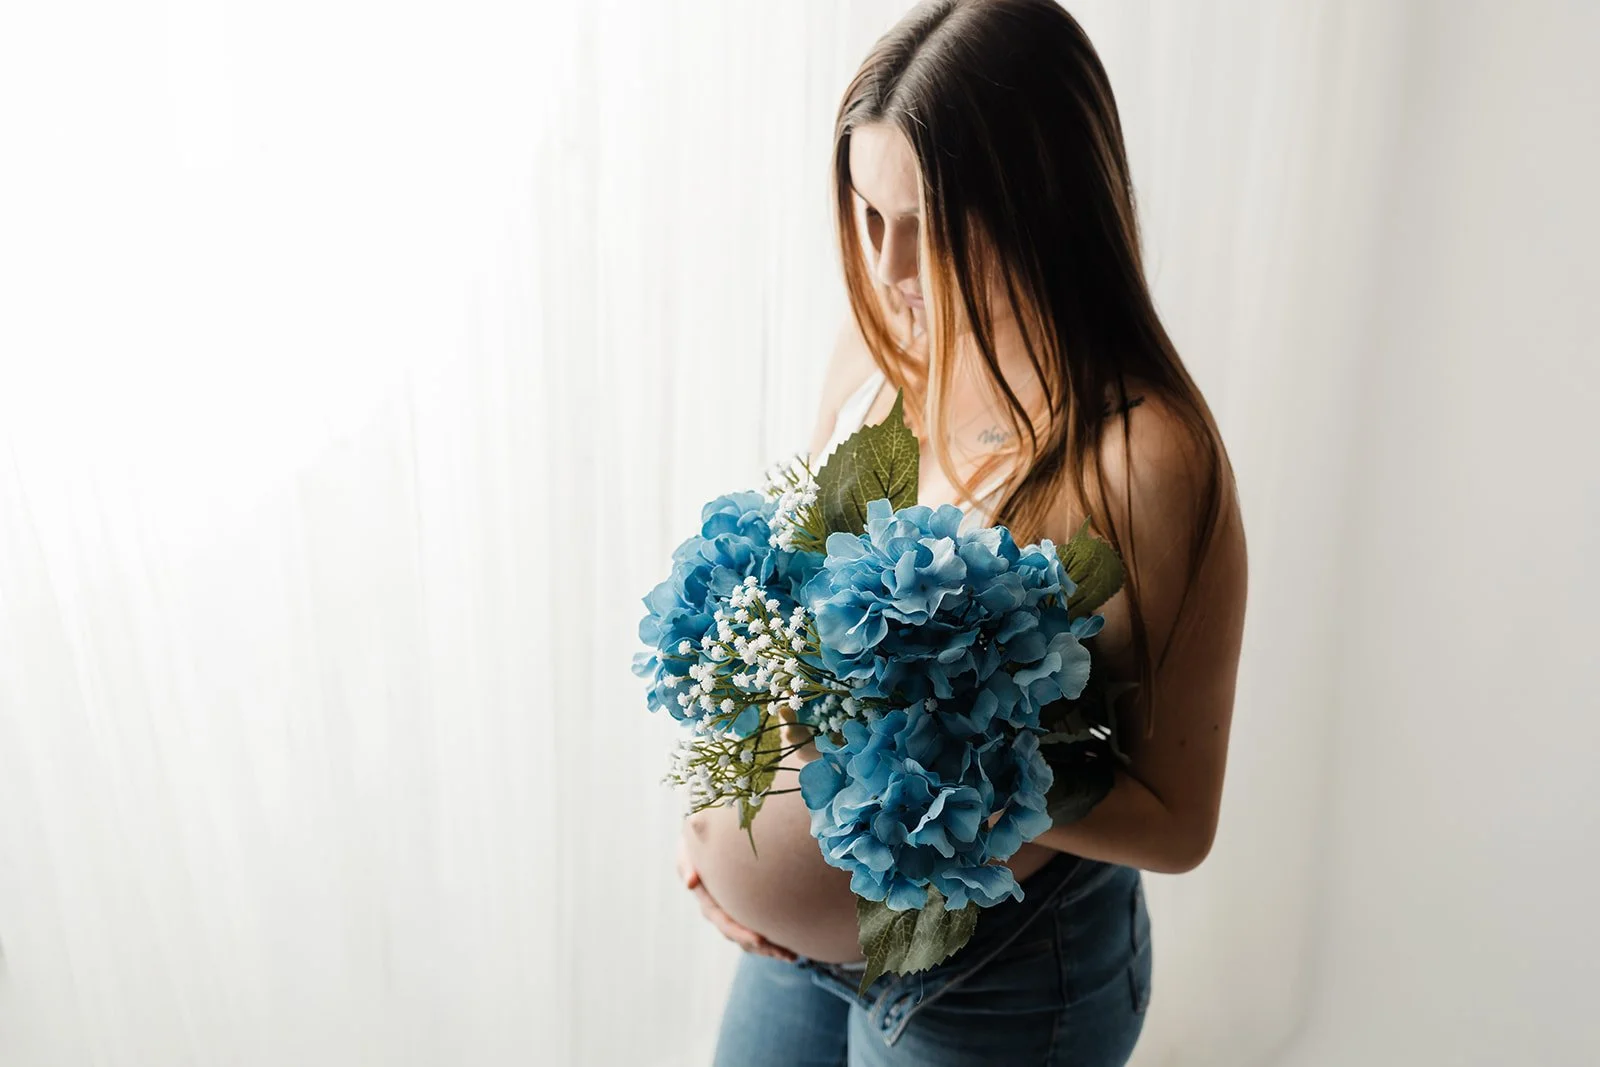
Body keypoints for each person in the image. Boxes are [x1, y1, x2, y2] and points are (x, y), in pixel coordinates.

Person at [678, 2, 1249, 1063]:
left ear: (1043, 208)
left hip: (997, 981)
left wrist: (959, 770)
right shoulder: (875, 347)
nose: (888, 269)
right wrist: (730, 824)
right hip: (792, 955)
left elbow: (1178, 820)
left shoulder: (1143, 461)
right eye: (865, 211)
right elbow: (805, 621)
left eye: (929, 225)